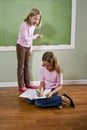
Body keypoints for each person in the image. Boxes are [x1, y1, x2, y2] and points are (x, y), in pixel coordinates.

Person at [16, 8, 43, 92]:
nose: (36, 21)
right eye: (35, 18)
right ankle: (21, 86)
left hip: (27, 47)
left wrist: (30, 48)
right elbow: (27, 38)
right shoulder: (24, 24)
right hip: (21, 46)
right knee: (21, 66)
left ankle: (28, 84)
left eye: (38, 19)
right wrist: (37, 36)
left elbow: (30, 39)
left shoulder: (33, 26)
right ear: (30, 17)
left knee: (27, 65)